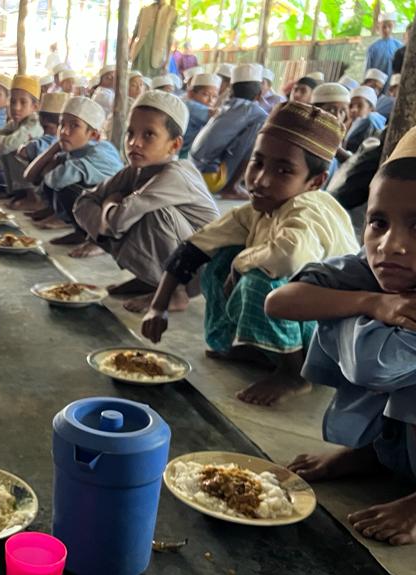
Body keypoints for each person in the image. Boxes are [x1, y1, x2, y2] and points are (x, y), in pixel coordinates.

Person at [267, 121, 416, 545]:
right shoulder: (379, 271)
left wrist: (339, 316)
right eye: (378, 222)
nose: (390, 245)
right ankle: (373, 454)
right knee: (357, 315)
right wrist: (372, 303)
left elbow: (376, 366)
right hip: (413, 447)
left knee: (405, 356)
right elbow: (281, 301)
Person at [141, 101, 359, 406]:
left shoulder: (309, 209)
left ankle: (294, 374)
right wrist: (158, 307)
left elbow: (289, 258)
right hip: (302, 320)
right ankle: (248, 348)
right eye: (257, 163)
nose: (261, 179)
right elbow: (195, 246)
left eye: (284, 170)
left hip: (333, 341)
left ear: (315, 182)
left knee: (259, 279)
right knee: (221, 256)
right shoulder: (262, 207)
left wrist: (241, 264)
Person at [73, 91, 219, 305]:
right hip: (182, 259)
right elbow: (82, 203)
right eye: (130, 133)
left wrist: (110, 203)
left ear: (175, 145)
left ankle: (176, 293)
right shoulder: (136, 169)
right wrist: (108, 215)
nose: (134, 143)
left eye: (148, 135)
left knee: (155, 213)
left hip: (202, 270)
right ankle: (151, 281)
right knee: (128, 212)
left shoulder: (176, 174)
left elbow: (118, 220)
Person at [23, 96, 124, 244]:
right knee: (56, 176)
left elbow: (55, 180)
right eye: (61, 124)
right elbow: (29, 177)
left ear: (94, 135)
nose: (64, 131)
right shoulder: (75, 150)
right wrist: (54, 149)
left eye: (74, 126)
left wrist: (51, 165)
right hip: (95, 206)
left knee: (66, 185)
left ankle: (93, 238)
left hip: (113, 217)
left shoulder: (100, 151)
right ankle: (75, 227)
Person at [191, 63, 268, 200]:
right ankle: (232, 187)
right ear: (259, 95)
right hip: (211, 179)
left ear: (230, 90)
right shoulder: (257, 114)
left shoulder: (224, 106)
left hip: (192, 174)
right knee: (262, 130)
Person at [0, 75, 44, 187]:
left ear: (35, 106)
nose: (16, 107)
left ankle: (30, 196)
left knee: (11, 151)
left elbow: (7, 145)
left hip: (36, 183)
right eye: (13, 102)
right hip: (16, 180)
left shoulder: (34, 125)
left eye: (23, 102)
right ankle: (14, 192)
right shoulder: (14, 123)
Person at [130, 0, 177, 77]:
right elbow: (136, 31)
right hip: (141, 53)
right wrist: (130, 50)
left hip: (158, 56)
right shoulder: (145, 10)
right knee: (137, 79)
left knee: (153, 83)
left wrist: (167, 61)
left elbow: (170, 38)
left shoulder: (172, 13)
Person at [182, 72, 218, 155]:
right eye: (205, 94)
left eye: (214, 96)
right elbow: (215, 114)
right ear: (191, 94)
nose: (211, 100)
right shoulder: (190, 105)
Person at [345, 85, 386, 153]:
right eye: (351, 106)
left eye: (360, 106)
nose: (353, 110)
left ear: (371, 109)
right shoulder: (347, 124)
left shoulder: (370, 122)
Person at [365, 11, 404, 79]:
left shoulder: (399, 47)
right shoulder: (373, 48)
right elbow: (368, 71)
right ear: (378, 27)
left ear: (394, 26)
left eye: (390, 26)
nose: (387, 30)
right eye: (384, 27)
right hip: (376, 85)